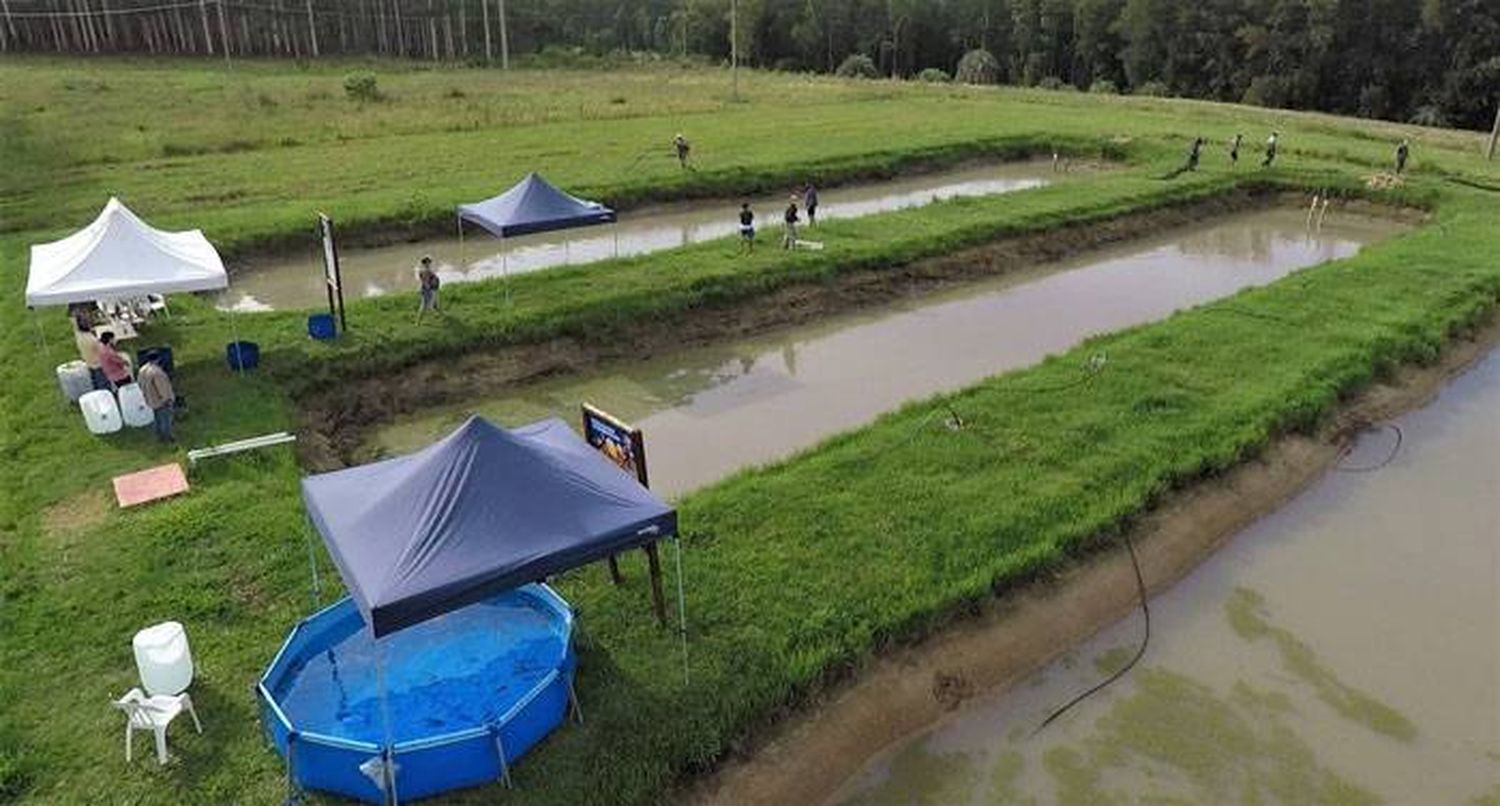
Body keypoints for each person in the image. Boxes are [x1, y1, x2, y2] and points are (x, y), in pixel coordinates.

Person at [137, 358, 175, 443]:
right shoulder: (157, 373)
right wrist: (167, 399)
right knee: (165, 420)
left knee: (156, 418)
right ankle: (167, 437)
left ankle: (158, 435)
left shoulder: (142, 370)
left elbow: (139, 383)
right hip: (160, 401)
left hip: (150, 399)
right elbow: (162, 388)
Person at [73, 314, 106, 390]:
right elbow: (101, 350)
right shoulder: (92, 339)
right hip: (98, 364)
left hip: (88, 362)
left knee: (95, 382)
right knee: (103, 385)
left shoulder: (79, 335)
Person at [416, 256, 441, 323]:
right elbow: (425, 282)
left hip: (432, 289)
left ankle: (437, 314)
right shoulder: (424, 270)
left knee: (435, 302)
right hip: (426, 290)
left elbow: (432, 278)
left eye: (429, 262)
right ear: (424, 263)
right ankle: (418, 321)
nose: (429, 263)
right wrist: (429, 289)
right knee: (424, 306)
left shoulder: (428, 269)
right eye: (427, 262)